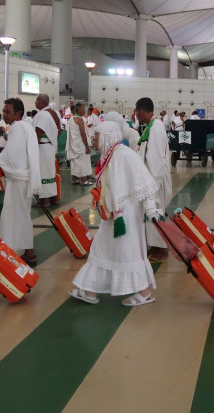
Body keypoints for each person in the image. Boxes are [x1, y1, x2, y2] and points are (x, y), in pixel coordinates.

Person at [71, 121, 161, 306]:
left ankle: (143, 292)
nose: (93, 139)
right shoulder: (109, 155)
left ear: (106, 138)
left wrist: (151, 208)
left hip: (126, 216)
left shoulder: (124, 154)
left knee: (128, 251)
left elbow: (146, 182)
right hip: (113, 214)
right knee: (102, 249)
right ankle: (89, 290)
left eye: (96, 136)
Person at [0, 98, 41, 266]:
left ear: (18, 113)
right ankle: (29, 253)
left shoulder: (17, 129)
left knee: (13, 216)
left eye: (8, 111)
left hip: (18, 179)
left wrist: (0, 156)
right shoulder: (26, 127)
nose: (4, 114)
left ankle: (10, 253)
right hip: (24, 178)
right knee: (22, 216)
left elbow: (12, 157)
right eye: (4, 111)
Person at [135, 97, 172, 262]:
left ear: (141, 111)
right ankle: (155, 246)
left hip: (154, 179)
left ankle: (161, 250)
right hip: (149, 178)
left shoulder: (156, 128)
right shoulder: (151, 126)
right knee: (150, 213)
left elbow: (156, 158)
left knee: (155, 211)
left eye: (136, 112)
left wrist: (152, 185)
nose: (136, 116)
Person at [32, 94, 61, 206]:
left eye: (37, 100)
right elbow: (60, 130)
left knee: (43, 172)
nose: (35, 103)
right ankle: (54, 198)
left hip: (42, 147)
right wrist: (53, 141)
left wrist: (33, 148)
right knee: (50, 172)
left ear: (42, 102)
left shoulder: (42, 114)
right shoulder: (54, 113)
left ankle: (45, 199)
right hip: (50, 146)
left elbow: (38, 134)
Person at [67, 102, 93, 185]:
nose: (85, 111)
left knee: (75, 161)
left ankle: (74, 178)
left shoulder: (71, 118)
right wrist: (87, 146)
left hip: (74, 143)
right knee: (83, 161)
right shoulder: (80, 119)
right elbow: (83, 133)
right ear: (78, 110)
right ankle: (83, 180)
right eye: (83, 109)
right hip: (81, 144)